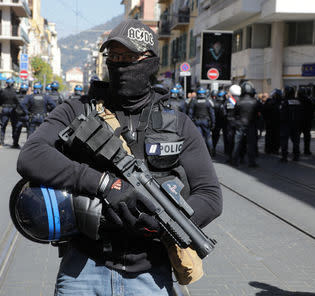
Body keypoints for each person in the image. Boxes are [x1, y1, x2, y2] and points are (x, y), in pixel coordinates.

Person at [17, 19, 222, 295]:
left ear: (150, 62)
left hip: (151, 274)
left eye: (130, 57)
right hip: (83, 267)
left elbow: (210, 195)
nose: (121, 64)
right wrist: (104, 184)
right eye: (114, 57)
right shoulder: (78, 110)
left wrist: (161, 225)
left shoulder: (178, 123)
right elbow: (31, 156)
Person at [231, 81, 260, 167]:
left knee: (237, 143)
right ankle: (252, 162)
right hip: (251, 124)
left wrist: (236, 123)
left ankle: (234, 161)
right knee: (251, 144)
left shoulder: (238, 101)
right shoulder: (255, 102)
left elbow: (233, 114)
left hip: (240, 124)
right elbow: (258, 115)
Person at [189, 87, 215, 154]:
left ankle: (200, 152)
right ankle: (211, 151)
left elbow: (190, 113)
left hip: (197, 121)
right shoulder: (208, 101)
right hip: (206, 121)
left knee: (199, 138)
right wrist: (213, 123)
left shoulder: (194, 101)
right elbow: (212, 113)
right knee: (208, 137)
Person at [279, 86, 302, 162]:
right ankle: (296, 156)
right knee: (296, 141)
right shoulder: (298, 101)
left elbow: (282, 114)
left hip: (286, 124)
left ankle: (284, 157)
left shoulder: (285, 102)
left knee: (284, 141)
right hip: (296, 124)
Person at [223, 84, 241, 163]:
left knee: (230, 140)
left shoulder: (228, 101)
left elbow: (223, 112)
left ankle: (230, 157)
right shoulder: (241, 100)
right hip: (238, 122)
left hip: (229, 123)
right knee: (238, 140)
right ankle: (238, 157)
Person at [0, 78, 18, 145]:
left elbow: (0, 99)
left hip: (5, 108)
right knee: (14, 126)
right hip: (13, 109)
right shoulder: (15, 91)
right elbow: (17, 100)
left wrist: (1, 104)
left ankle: (1, 140)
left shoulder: (2, 91)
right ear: (12, 83)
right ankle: (14, 141)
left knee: (3, 126)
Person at [297, 87, 315, 155]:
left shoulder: (296, 100)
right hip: (307, 121)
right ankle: (306, 151)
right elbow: (313, 110)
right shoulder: (309, 100)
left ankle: (296, 151)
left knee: (297, 137)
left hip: (298, 121)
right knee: (307, 137)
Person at [262, 89, 281, 154]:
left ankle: (270, 149)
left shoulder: (270, 102)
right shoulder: (280, 103)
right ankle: (273, 149)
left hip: (271, 123)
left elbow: (264, 112)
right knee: (275, 136)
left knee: (271, 136)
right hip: (274, 123)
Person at [11, 83, 29, 148]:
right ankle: (28, 145)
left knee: (17, 130)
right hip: (26, 115)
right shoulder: (29, 97)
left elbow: (13, 105)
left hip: (18, 115)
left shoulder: (16, 96)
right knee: (29, 130)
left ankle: (15, 143)